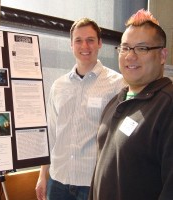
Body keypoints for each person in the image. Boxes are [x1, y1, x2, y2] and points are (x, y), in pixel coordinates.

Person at [35, 18, 124, 200]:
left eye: (90, 40)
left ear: (100, 43)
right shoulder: (58, 86)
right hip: (58, 180)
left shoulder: (118, 84)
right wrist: (42, 175)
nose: (85, 45)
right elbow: (51, 133)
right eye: (78, 40)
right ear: (71, 45)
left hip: (92, 183)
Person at [88, 9, 173, 200]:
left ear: (162, 55)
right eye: (125, 48)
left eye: (142, 48)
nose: (130, 56)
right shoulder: (117, 101)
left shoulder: (166, 105)